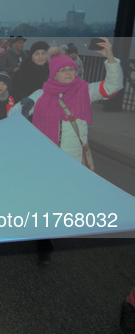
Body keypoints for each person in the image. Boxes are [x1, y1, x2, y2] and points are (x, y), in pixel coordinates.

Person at [9, 38, 122, 264]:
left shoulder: (86, 91)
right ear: (54, 73)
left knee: (63, 196)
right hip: (46, 157)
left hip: (70, 157)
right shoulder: (41, 94)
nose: (69, 73)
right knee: (45, 196)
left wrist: (110, 58)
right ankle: (43, 238)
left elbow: (112, 87)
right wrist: (22, 107)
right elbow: (13, 115)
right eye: (64, 70)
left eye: (72, 68)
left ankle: (51, 227)